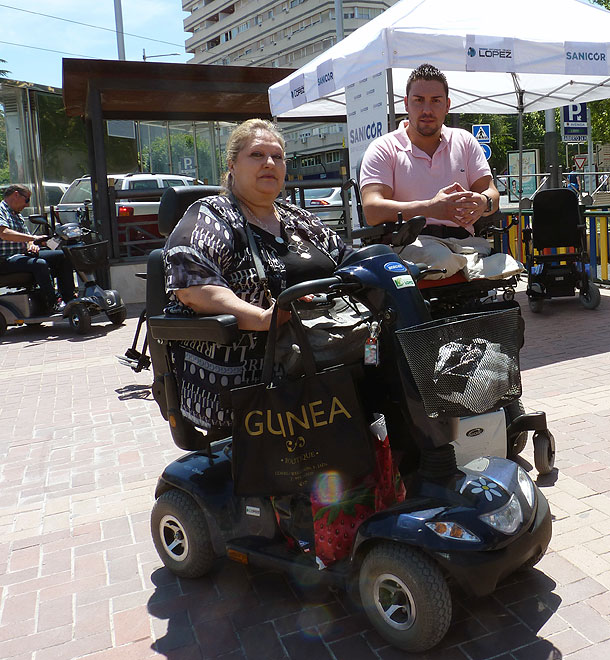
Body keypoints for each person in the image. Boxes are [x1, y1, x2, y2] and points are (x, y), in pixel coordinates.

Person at [163, 118, 355, 432]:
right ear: (232, 165)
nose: (269, 163)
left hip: (328, 355)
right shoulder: (213, 215)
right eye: (257, 155)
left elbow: (350, 260)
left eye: (277, 156)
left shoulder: (299, 217)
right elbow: (192, 286)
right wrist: (261, 318)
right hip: (256, 379)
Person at [360, 63, 517, 280]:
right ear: (406, 104)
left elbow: (491, 193)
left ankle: (470, 264)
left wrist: (483, 203)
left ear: (447, 105)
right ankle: (473, 266)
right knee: (441, 258)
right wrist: (430, 209)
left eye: (436, 101)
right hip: (412, 243)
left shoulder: (465, 141)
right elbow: (372, 210)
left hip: (464, 242)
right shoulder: (384, 148)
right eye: (418, 100)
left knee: (453, 257)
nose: (427, 110)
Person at [0, 184, 76, 313]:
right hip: (5, 260)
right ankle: (53, 302)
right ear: (16, 194)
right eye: (27, 200)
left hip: (21, 255)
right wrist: (32, 237)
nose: (27, 205)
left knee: (63, 255)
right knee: (39, 264)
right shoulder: (1, 210)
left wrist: (32, 244)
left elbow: (26, 238)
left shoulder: (17, 215)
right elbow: (4, 233)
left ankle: (68, 298)